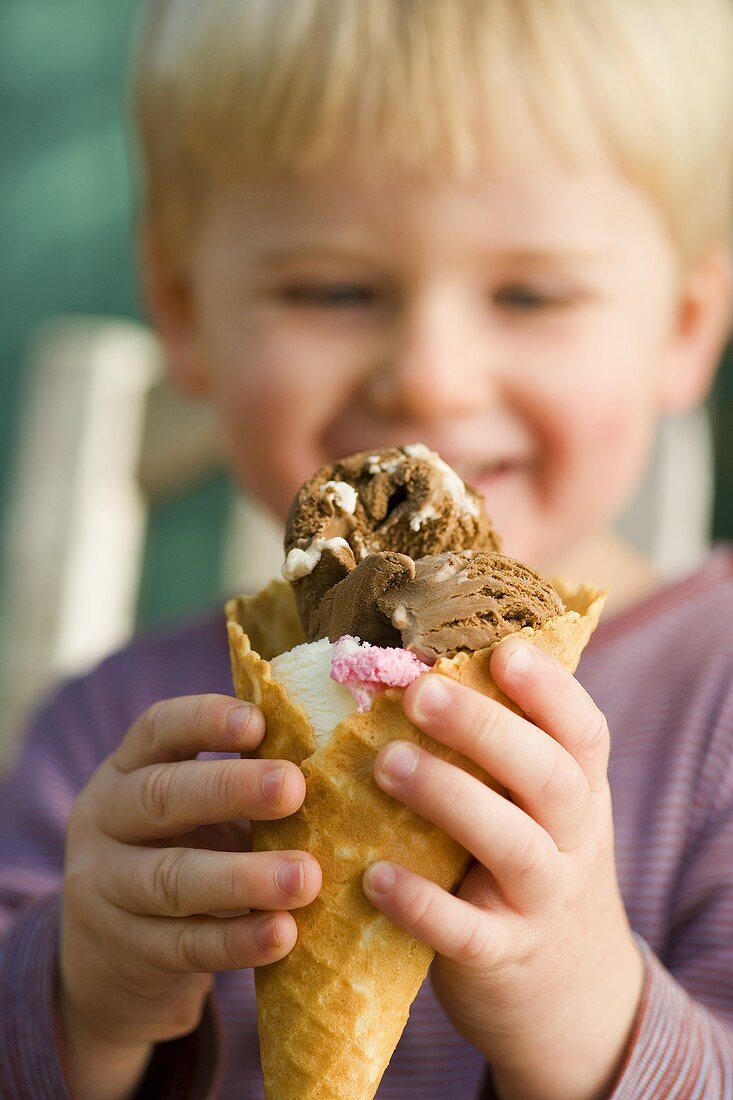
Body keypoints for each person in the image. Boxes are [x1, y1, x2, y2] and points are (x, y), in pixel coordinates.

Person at [2, 1, 733, 1097]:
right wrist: (76, 992)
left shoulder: (718, 708)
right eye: (331, 290)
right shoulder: (119, 742)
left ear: (682, 327)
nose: (431, 377)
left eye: (528, 293)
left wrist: (586, 1010)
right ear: (186, 312)